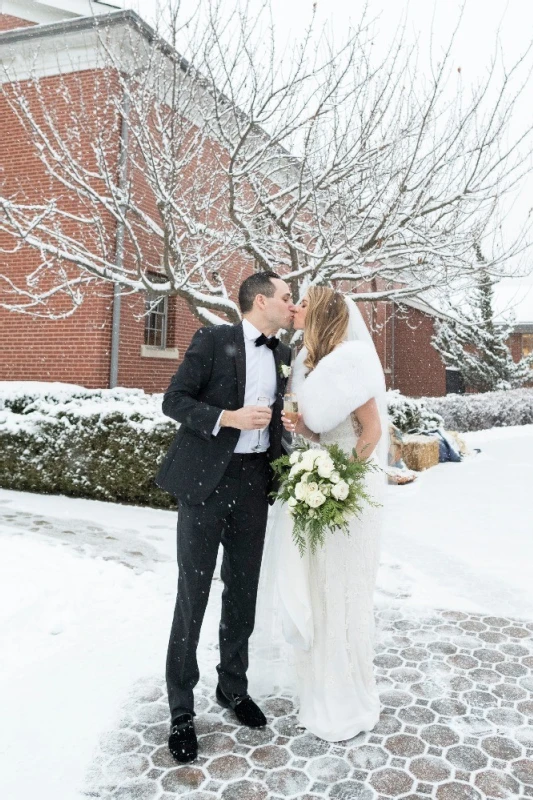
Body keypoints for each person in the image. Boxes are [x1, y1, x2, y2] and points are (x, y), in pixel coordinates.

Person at [155, 271, 293, 762]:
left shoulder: (282, 354)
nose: (291, 304)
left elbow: (277, 416)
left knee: (243, 591)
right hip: (205, 485)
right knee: (192, 593)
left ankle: (232, 688)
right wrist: (226, 419)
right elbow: (174, 401)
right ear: (260, 301)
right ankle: (180, 708)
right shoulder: (213, 339)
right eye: (286, 297)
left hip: (255, 485)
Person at [256, 285, 387, 742]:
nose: (297, 307)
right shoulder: (309, 363)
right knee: (316, 588)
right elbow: (321, 431)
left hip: (346, 493)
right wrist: (305, 429)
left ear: (325, 314)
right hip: (320, 483)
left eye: (305, 302)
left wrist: (341, 482)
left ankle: (346, 699)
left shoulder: (350, 360)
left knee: (340, 590)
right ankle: (320, 691)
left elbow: (371, 432)